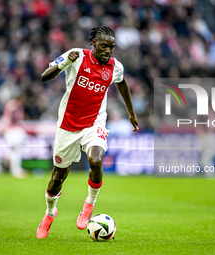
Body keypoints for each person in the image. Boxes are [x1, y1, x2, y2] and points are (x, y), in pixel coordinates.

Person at [36, 26, 139, 239]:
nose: (108, 50)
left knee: (95, 159)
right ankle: (49, 213)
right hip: (67, 126)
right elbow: (44, 77)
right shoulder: (76, 56)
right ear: (93, 43)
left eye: (111, 47)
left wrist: (131, 112)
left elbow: (122, 84)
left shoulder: (115, 67)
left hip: (94, 124)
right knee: (57, 178)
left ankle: (89, 204)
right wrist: (64, 62)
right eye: (104, 45)